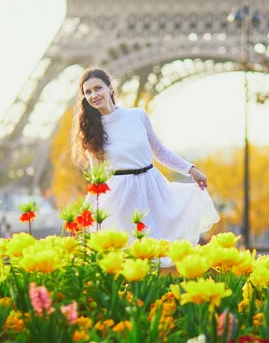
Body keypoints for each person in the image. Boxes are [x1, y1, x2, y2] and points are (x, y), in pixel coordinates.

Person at [71, 68, 220, 247]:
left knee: (156, 250)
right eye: (88, 92)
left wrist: (191, 170)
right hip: (119, 197)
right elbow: (97, 179)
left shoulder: (137, 116)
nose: (94, 95)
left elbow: (159, 151)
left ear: (110, 88)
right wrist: (85, 213)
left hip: (152, 189)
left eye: (98, 88)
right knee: (128, 251)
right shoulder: (90, 131)